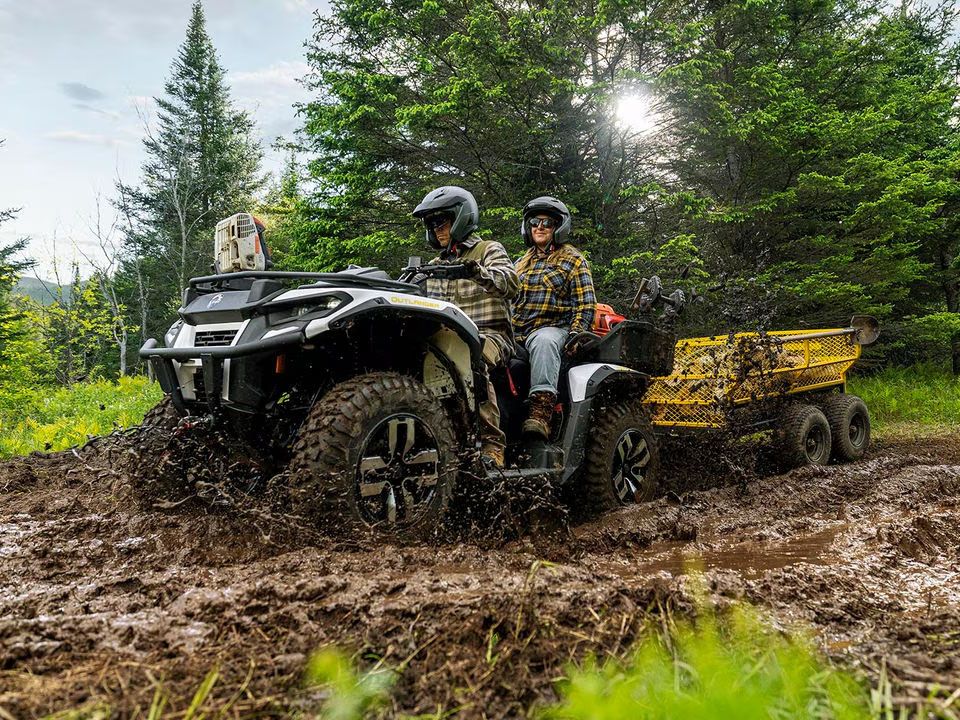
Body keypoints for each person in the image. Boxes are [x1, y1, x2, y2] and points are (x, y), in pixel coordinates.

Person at [412, 186, 519, 468]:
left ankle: (492, 446)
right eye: (431, 224)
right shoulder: (433, 265)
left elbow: (510, 283)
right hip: (445, 339)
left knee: (470, 357)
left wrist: (476, 271)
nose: (436, 229)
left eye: (441, 221)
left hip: (490, 335)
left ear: (461, 218)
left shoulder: (488, 249)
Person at [512, 196, 596, 439]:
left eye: (547, 223)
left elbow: (585, 304)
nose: (539, 227)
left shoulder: (573, 259)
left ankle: (541, 412)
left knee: (544, 342)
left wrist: (575, 335)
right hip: (517, 332)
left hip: (553, 329)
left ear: (559, 227)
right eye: (534, 222)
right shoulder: (519, 264)